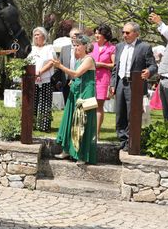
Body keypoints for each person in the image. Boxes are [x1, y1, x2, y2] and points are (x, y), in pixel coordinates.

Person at [111, 22, 158, 151]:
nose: (124, 35)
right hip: (121, 82)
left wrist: (149, 71)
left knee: (132, 114)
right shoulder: (120, 47)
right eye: (123, 32)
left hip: (134, 84)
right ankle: (122, 140)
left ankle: (131, 141)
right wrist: (113, 84)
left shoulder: (144, 47)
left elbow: (153, 66)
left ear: (136, 33)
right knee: (120, 114)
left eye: (127, 32)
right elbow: (116, 67)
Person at [53, 35, 97, 164]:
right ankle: (67, 151)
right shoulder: (79, 60)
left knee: (82, 123)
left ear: (85, 46)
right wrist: (73, 81)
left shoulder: (89, 59)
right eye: (75, 45)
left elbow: (77, 73)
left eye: (78, 45)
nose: (76, 47)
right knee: (70, 122)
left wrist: (60, 66)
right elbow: (77, 77)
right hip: (75, 93)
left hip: (85, 95)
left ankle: (82, 155)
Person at [27, 27, 55, 132]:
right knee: (31, 102)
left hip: (45, 79)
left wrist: (39, 72)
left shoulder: (49, 47)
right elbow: (26, 61)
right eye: (35, 35)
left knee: (45, 102)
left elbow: (51, 62)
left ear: (44, 36)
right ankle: (31, 125)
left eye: (38, 34)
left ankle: (44, 126)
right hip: (31, 79)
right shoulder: (31, 48)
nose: (36, 37)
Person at [92, 23, 116, 138]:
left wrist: (102, 64)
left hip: (103, 80)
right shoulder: (91, 46)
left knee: (98, 105)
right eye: (95, 33)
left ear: (105, 35)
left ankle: (96, 133)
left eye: (99, 33)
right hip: (91, 78)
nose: (96, 35)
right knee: (89, 104)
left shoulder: (111, 48)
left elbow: (114, 65)